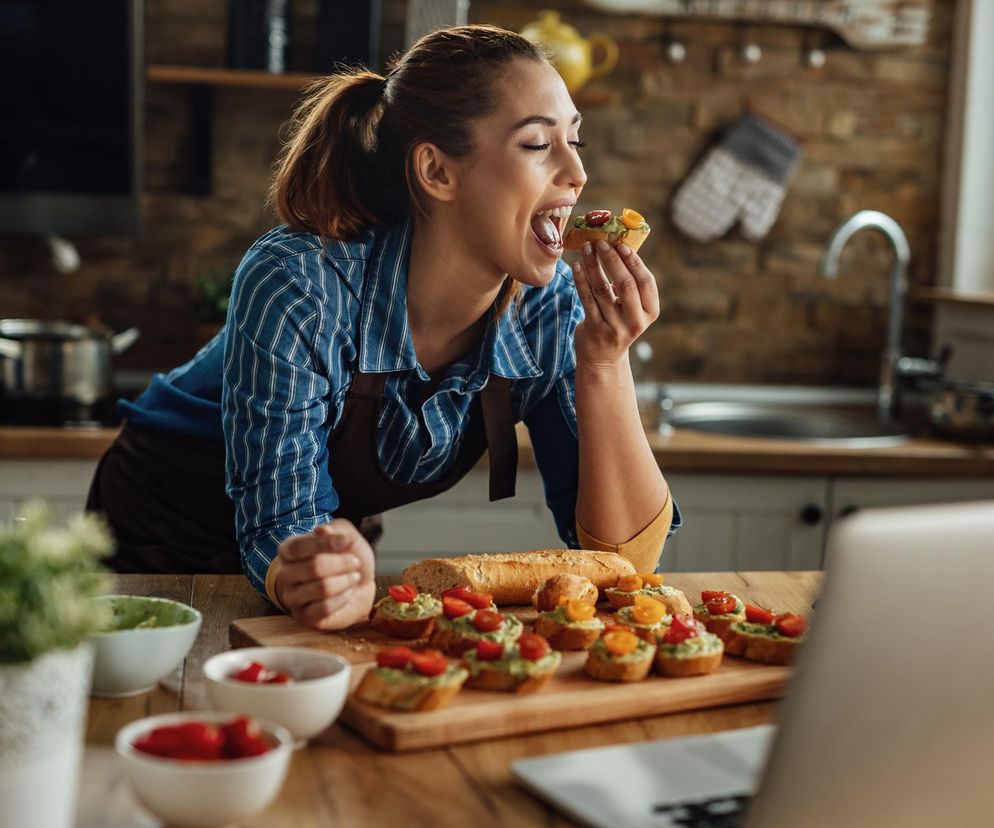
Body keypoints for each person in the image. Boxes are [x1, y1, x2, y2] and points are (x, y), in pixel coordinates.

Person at [86, 25, 680, 631]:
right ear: (438, 172)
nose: (577, 173)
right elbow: (280, 521)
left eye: (576, 141)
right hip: (160, 541)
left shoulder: (549, 309)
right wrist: (316, 569)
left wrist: (607, 363)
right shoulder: (300, 282)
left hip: (318, 545)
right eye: (537, 144)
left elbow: (623, 567)